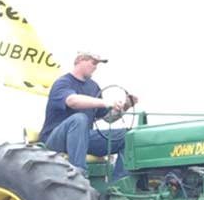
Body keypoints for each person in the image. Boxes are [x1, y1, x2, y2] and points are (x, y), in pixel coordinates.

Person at [39, 50, 138, 180]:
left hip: (83, 138)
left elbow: (108, 118)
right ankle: (78, 174)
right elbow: (72, 101)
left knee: (129, 136)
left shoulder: (93, 87)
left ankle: (119, 184)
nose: (96, 67)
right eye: (94, 63)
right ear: (80, 60)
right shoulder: (63, 83)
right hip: (56, 140)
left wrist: (125, 106)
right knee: (79, 119)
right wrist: (106, 102)